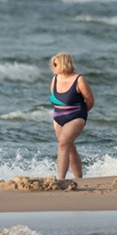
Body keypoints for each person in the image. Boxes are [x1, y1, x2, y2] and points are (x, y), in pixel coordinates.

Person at [48, 52, 95, 180]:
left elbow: (90, 100)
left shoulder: (79, 79)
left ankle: (61, 180)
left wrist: (81, 114)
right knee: (69, 147)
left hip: (76, 116)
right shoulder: (55, 79)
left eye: (55, 63)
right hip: (58, 118)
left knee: (63, 144)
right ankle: (78, 178)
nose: (53, 66)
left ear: (62, 63)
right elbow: (54, 98)